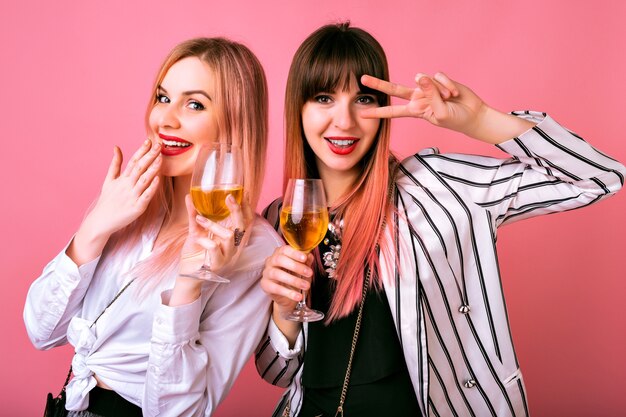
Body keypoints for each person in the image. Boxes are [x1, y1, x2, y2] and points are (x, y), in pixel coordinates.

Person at [255, 22, 625, 417]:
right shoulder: (283, 219)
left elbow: (597, 178)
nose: (344, 121)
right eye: (324, 98)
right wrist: (281, 309)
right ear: (298, 107)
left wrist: (479, 119)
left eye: (363, 99)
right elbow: (278, 373)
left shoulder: (435, 186)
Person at [24, 37, 282, 417]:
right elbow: (42, 333)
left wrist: (189, 283)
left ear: (235, 125)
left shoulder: (255, 250)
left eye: (194, 104)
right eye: (163, 98)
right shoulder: (128, 201)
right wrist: (94, 228)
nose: (166, 119)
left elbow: (180, 411)